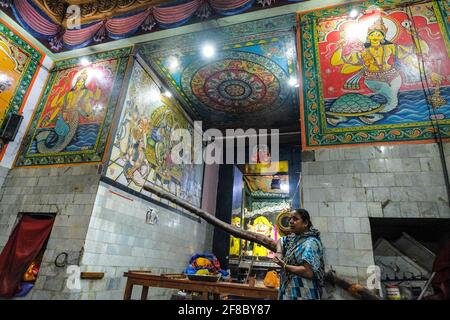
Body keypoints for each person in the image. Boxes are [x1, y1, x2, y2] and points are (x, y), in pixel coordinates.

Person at [272, 209, 325, 300]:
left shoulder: (310, 243)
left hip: (304, 292)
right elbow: (281, 241)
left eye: (295, 219)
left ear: (305, 223)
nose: (291, 222)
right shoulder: (294, 239)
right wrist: (279, 252)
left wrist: (284, 265)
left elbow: (308, 272)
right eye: (290, 219)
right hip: (289, 291)